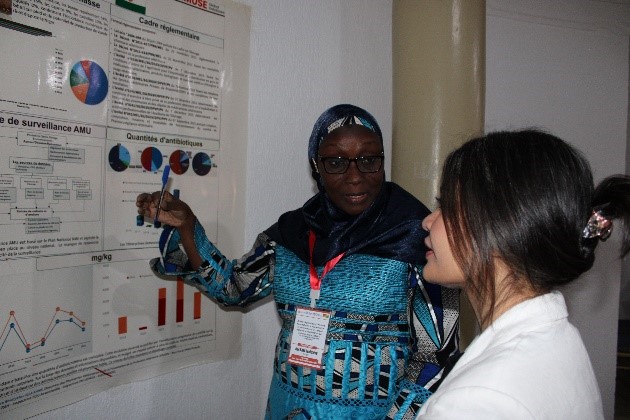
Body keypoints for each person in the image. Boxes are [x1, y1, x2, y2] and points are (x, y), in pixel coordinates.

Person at [136, 104, 459, 419]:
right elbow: (234, 288)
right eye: (336, 162)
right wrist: (188, 226)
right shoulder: (292, 233)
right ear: (316, 166)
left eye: (368, 160)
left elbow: (436, 359)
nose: (355, 177)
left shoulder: (418, 238)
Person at [416, 129, 630, 419]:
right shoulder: (556, 337)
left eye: (446, 207)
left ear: (499, 227)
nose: (428, 221)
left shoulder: (477, 401)